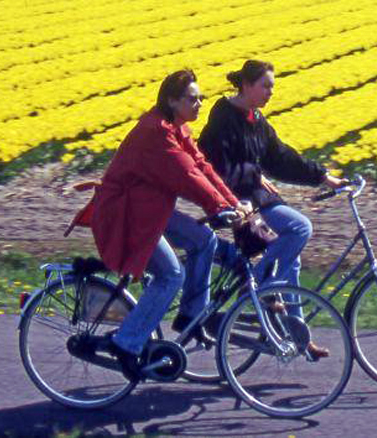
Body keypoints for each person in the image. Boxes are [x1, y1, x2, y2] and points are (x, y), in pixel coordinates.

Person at [69, 69, 249, 380]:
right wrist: (219, 207)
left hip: (151, 211)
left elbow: (201, 167)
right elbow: (187, 176)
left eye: (201, 98)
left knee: (204, 240)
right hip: (126, 215)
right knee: (170, 276)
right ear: (171, 101)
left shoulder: (177, 129)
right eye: (192, 99)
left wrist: (233, 204)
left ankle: (192, 316)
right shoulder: (155, 133)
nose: (200, 104)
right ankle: (126, 342)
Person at [198, 60, 348, 359]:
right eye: (265, 86)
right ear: (247, 85)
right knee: (300, 228)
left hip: (256, 196)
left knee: (291, 261)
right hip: (235, 199)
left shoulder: (256, 118)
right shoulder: (224, 115)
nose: (270, 92)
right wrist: (254, 176)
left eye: (272, 87)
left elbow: (280, 156)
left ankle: (297, 336)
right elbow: (218, 166)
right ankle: (258, 284)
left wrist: (323, 177)